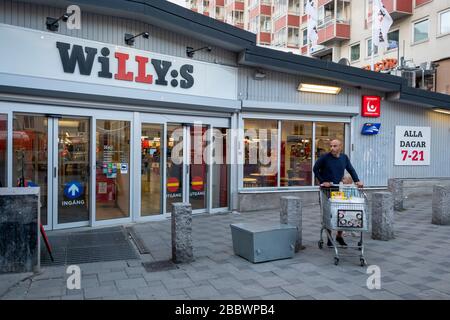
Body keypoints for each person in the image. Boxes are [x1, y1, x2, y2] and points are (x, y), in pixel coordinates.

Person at [313, 139, 363, 247]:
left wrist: (357, 181)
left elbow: (351, 169)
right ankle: (329, 238)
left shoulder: (344, 158)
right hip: (326, 190)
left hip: (338, 190)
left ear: (340, 146)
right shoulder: (325, 157)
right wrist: (323, 181)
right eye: (331, 146)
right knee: (328, 214)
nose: (332, 148)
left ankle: (339, 236)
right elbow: (315, 169)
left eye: (335, 146)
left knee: (342, 213)